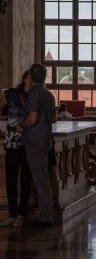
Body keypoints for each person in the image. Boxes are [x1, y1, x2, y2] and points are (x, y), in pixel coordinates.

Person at [16, 64, 56, 228]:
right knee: (43, 178)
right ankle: (47, 215)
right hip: (46, 140)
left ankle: (46, 217)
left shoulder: (34, 94)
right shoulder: (49, 94)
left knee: (40, 180)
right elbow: (54, 119)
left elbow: (32, 119)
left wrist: (21, 125)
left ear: (31, 78)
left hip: (34, 141)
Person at [0, 70, 32, 227]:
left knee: (26, 178)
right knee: (11, 178)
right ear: (24, 78)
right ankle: (12, 214)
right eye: (29, 77)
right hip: (12, 140)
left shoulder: (36, 95)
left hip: (29, 141)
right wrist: (5, 118)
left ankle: (21, 214)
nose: (31, 80)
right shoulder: (11, 94)